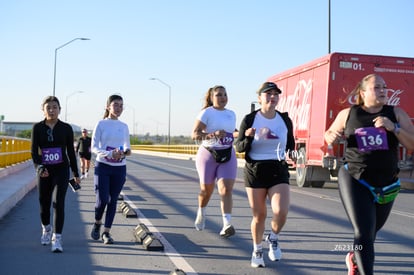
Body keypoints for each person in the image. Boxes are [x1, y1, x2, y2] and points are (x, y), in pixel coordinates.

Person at [324, 74, 414, 275]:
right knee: (363, 232)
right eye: (377, 87)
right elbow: (328, 134)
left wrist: (394, 128)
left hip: (387, 183)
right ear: (363, 93)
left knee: (371, 233)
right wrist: (331, 136)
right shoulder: (348, 114)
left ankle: (354, 257)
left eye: (385, 86)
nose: (383, 90)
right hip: (355, 178)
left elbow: (412, 144)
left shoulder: (396, 114)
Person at [234, 82, 294, 268]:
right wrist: (249, 136)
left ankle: (273, 238)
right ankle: (257, 250)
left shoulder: (284, 119)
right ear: (259, 98)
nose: (272, 97)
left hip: (278, 168)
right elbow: (240, 147)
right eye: (268, 94)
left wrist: (293, 153)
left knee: (281, 211)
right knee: (259, 215)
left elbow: (290, 143)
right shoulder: (251, 119)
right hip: (255, 170)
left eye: (275, 94)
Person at [31, 96, 81, 253]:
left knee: (58, 202)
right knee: (43, 203)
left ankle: (57, 238)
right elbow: (33, 152)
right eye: (48, 107)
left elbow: (71, 152)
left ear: (60, 109)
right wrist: (39, 167)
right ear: (43, 109)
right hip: (44, 170)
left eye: (55, 107)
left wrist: (75, 172)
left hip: (61, 169)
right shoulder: (37, 128)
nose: (51, 110)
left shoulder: (66, 128)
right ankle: (46, 228)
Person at [191, 85, 238, 238]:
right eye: (218, 95)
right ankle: (201, 212)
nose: (223, 97)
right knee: (206, 191)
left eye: (225, 94)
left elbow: (233, 132)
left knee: (226, 189)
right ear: (212, 98)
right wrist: (213, 134)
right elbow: (195, 134)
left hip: (228, 154)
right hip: (208, 155)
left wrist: (245, 133)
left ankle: (226, 224)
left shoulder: (231, 114)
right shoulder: (206, 113)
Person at [90, 94, 131, 244]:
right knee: (102, 200)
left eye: (121, 105)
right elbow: (94, 147)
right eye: (116, 105)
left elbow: (127, 145)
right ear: (108, 107)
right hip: (103, 166)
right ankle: (97, 223)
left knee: (113, 200)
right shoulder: (101, 124)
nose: (119, 108)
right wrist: (109, 154)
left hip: (119, 168)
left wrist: (125, 152)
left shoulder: (124, 126)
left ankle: (106, 233)